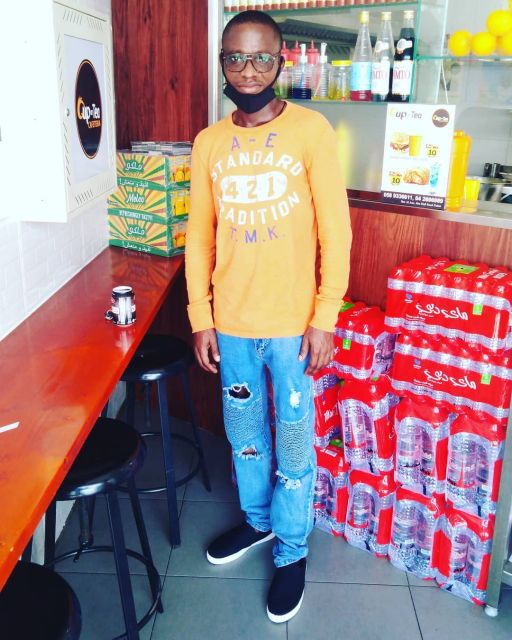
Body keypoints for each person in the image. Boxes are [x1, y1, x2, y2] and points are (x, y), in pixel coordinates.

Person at [185, 10, 351, 623]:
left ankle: (292, 548)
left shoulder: (311, 131)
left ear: (281, 62)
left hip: (293, 329)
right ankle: (258, 523)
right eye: (236, 57)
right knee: (246, 438)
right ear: (222, 63)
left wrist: (325, 317)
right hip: (231, 325)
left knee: (295, 443)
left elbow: (336, 233)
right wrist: (200, 316)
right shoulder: (208, 142)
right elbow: (198, 238)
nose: (248, 70)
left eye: (261, 58)